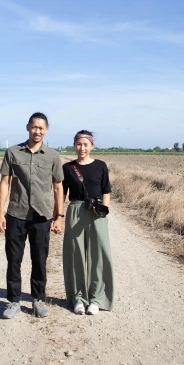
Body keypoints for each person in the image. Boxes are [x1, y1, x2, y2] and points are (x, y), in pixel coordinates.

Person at [0, 112, 65, 319]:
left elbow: (58, 187)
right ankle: (14, 302)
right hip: (16, 214)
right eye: (34, 127)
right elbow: (5, 183)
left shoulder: (53, 155)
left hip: (42, 216)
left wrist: (58, 216)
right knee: (14, 260)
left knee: (40, 259)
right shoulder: (13, 152)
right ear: (27, 127)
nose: (37, 131)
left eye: (41, 128)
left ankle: (38, 299)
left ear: (46, 130)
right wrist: (0, 213)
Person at [62, 130, 113, 315]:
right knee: (75, 255)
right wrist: (58, 216)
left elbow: (106, 190)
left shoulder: (101, 166)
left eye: (85, 144)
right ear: (74, 145)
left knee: (98, 256)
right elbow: (61, 194)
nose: (82, 148)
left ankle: (96, 298)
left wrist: (103, 211)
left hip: (96, 213)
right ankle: (78, 298)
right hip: (75, 210)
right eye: (78, 144)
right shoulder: (68, 168)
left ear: (92, 145)